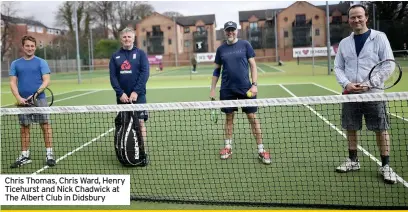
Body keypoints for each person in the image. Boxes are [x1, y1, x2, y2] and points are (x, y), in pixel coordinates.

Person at [334, 4, 396, 184]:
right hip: (350, 93)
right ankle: (353, 161)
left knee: (381, 128)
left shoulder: (380, 37)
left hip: (374, 93)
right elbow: (338, 67)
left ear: (366, 17)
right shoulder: (345, 43)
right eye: (353, 17)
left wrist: (369, 84)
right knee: (351, 126)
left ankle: (385, 165)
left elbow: (389, 64)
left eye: (359, 16)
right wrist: (347, 84)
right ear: (349, 20)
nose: (356, 20)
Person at [209, 21, 271, 164]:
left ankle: (261, 150)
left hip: (246, 89)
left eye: (232, 30)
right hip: (226, 89)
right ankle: (228, 147)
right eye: (227, 30)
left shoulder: (245, 45)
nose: (230, 32)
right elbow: (216, 70)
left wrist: (254, 85)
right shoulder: (221, 49)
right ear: (224, 32)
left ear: (237, 31)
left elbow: (253, 66)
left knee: (252, 118)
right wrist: (212, 88)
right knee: (229, 118)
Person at [9, 35, 56, 168]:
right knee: (24, 128)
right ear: (23, 47)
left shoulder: (41, 62)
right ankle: (25, 155)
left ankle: (49, 154)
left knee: (45, 126)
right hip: (23, 102)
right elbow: (12, 83)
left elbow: (46, 80)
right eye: (27, 46)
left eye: (32, 46)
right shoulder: (15, 64)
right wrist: (19, 98)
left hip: (39, 100)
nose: (30, 48)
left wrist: (36, 94)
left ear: (35, 47)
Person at [109, 27, 150, 156]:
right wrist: (120, 93)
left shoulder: (141, 54)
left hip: (139, 96)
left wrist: (136, 92)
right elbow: (113, 77)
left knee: (140, 123)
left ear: (134, 38)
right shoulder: (115, 56)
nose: (127, 39)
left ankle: (142, 151)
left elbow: (145, 73)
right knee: (123, 124)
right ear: (121, 39)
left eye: (129, 37)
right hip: (122, 98)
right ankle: (125, 150)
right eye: (124, 37)